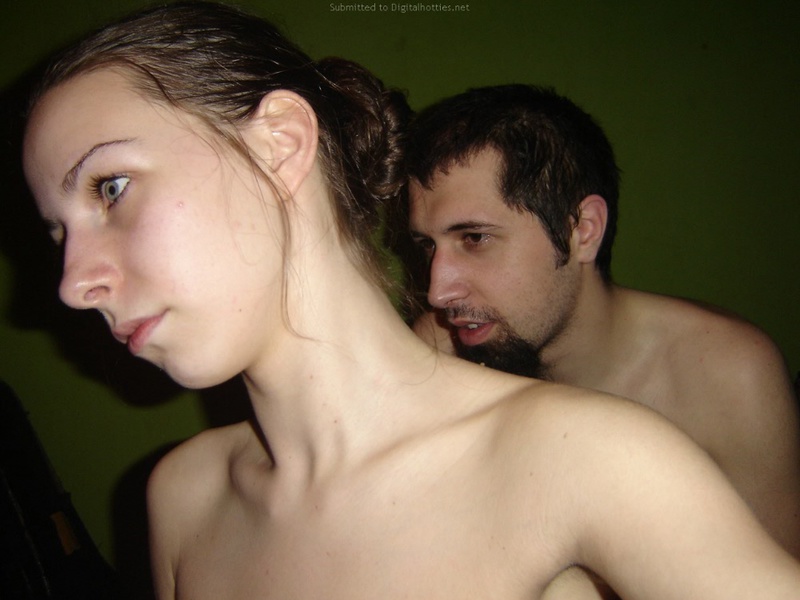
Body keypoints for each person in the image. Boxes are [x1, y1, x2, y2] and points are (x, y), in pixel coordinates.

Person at [22, 3, 800, 599]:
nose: (71, 281)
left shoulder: (590, 460)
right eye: (58, 232)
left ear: (279, 145)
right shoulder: (183, 497)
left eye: (110, 187)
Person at [403, 84, 800, 580]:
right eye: (427, 246)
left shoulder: (726, 376)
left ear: (583, 230)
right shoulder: (440, 350)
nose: (438, 292)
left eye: (475, 238)